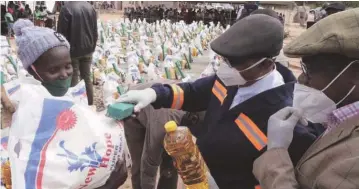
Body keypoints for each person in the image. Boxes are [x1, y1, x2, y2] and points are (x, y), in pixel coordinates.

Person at [119, 14, 320, 188]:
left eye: (235, 63)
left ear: (266, 64)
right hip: (199, 176)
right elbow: (192, 92)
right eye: (225, 60)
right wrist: (155, 94)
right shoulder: (231, 80)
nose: (226, 68)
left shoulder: (283, 120)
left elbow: (278, 179)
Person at [12, 19, 126, 189]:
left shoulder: (66, 101)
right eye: (53, 70)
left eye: (68, 66)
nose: (64, 75)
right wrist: (108, 185)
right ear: (33, 71)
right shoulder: (32, 118)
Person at [253, 8, 359, 189]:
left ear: (355, 72)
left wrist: (276, 152)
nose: (301, 79)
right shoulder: (343, 115)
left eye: (309, 71)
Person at [57, 2, 97, 106]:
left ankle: (76, 107)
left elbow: (61, 34)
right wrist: (92, 46)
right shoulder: (90, 7)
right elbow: (95, 30)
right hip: (88, 48)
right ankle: (89, 105)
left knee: (73, 79)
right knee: (86, 78)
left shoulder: (66, 9)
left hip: (73, 51)